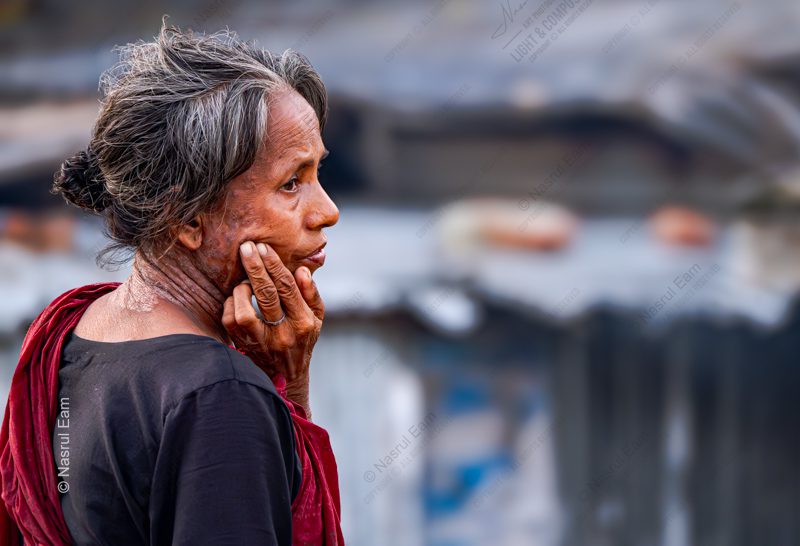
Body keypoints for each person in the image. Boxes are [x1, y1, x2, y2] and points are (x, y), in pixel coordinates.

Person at [0, 19, 343, 545]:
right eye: (291, 183)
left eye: (319, 173)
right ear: (186, 218)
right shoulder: (219, 396)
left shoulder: (68, 332)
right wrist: (276, 396)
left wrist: (285, 386)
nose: (328, 212)